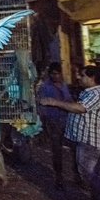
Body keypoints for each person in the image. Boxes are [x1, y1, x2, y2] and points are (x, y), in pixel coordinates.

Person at [40, 65, 100, 200]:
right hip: (84, 138)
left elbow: (80, 108)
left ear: (92, 78)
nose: (79, 77)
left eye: (82, 75)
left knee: (87, 173)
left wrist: (53, 102)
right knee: (92, 174)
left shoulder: (95, 94)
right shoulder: (88, 92)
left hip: (90, 141)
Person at [37, 62, 74, 190]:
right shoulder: (45, 87)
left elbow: (68, 99)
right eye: (53, 74)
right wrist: (45, 124)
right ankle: (59, 176)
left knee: (73, 150)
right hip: (53, 122)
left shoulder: (63, 85)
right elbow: (42, 106)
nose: (56, 76)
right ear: (50, 74)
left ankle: (76, 176)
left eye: (58, 74)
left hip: (66, 120)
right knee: (57, 151)